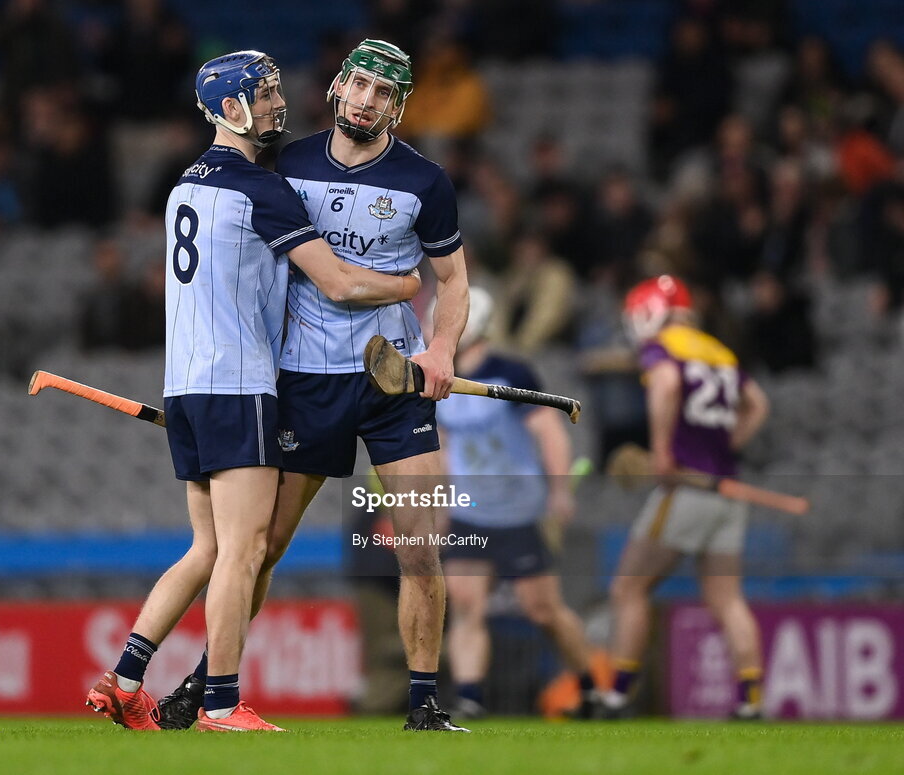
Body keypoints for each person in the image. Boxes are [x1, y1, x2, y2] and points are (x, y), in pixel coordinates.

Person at [85, 49, 423, 733]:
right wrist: (406, 284)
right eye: (265, 94)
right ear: (233, 108)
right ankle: (219, 703)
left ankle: (122, 680)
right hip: (238, 386)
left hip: (186, 386)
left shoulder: (185, 184)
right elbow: (338, 282)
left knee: (207, 549)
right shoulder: (259, 188)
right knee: (243, 550)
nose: (278, 104)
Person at [157, 39, 470, 733]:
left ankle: (423, 702)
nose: (365, 99)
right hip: (304, 380)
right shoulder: (282, 164)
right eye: (357, 84)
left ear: (400, 104)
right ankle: (212, 683)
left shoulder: (426, 181)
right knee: (260, 545)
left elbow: (452, 280)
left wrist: (443, 346)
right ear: (336, 87)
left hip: (394, 381)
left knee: (421, 545)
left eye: (382, 93)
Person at [602, 276, 770, 721]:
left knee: (628, 587)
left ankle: (617, 695)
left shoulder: (663, 348)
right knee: (726, 596)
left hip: (685, 487)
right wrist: (728, 446)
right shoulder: (720, 351)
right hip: (726, 489)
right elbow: (758, 404)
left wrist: (661, 452)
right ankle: (751, 700)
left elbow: (667, 384)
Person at [435, 288, 598, 719]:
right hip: (469, 512)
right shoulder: (438, 376)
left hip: (518, 510)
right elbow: (442, 447)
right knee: (467, 606)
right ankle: (470, 699)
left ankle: (590, 688)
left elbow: (549, 431)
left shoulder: (510, 372)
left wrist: (559, 490)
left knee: (543, 610)